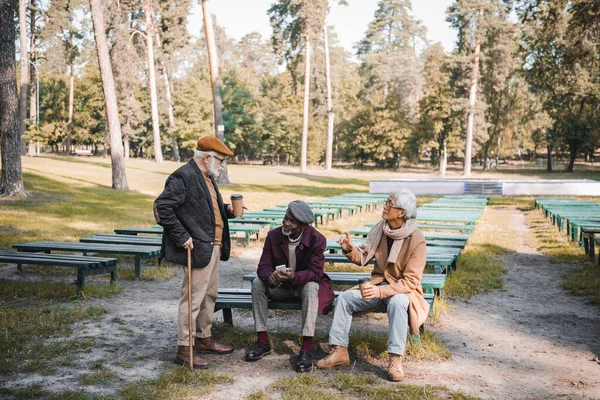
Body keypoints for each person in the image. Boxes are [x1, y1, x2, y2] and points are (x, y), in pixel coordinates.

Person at [316, 190, 430, 382]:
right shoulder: (381, 229)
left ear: (401, 212)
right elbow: (362, 257)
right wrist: (349, 249)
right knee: (343, 299)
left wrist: (381, 291)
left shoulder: (416, 239)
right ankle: (339, 351)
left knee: (398, 302)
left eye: (389, 203)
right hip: (378, 285)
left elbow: (411, 282)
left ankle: (395, 359)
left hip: (402, 291)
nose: (385, 206)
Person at [154, 136, 240, 369]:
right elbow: (162, 207)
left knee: (209, 295)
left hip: (213, 246)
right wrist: (182, 237)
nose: (222, 166)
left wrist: (228, 211)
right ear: (208, 158)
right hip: (197, 247)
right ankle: (184, 348)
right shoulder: (184, 175)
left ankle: (203, 338)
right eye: (221, 161)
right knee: (192, 298)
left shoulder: (208, 177)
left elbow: (205, 209)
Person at [245, 200, 335, 373]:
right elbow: (262, 266)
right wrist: (270, 277)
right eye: (286, 217)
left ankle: (306, 349)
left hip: (301, 287)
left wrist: (295, 276)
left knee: (311, 287)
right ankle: (262, 342)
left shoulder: (317, 239)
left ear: (302, 225)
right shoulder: (273, 236)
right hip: (280, 287)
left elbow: (316, 272)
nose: (286, 223)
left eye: (292, 221)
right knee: (257, 283)